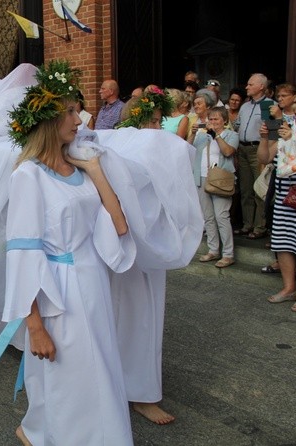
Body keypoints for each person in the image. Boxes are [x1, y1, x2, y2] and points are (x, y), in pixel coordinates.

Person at [5, 60, 133, 445]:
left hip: (93, 283)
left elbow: (119, 226)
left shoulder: (78, 169)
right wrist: (35, 326)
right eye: (71, 112)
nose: (79, 119)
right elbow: (22, 255)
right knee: (71, 378)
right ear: (48, 121)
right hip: (57, 293)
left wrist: (94, 171)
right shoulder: (27, 176)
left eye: (77, 110)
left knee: (101, 370)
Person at [114, 88, 179, 424]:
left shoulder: (153, 148)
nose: (158, 128)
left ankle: (139, 387)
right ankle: (136, 392)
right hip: (131, 245)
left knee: (147, 319)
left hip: (152, 242)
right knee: (134, 318)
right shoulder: (123, 147)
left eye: (160, 121)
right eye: (153, 121)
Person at [258, 90, 296, 312]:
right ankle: (288, 288)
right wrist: (264, 138)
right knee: (283, 244)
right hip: (282, 199)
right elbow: (264, 158)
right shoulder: (286, 135)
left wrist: (294, 141)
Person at [191, 106, 238, 267]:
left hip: (220, 180)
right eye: (210, 119)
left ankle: (228, 254)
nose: (212, 122)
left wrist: (216, 135)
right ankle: (213, 250)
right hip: (202, 177)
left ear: (224, 120)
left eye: (216, 119)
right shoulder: (203, 136)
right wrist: (192, 133)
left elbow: (228, 152)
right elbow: (189, 148)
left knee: (221, 216)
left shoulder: (232, 135)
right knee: (208, 217)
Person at [234, 73, 272, 239]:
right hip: (242, 149)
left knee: (259, 189)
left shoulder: (269, 105)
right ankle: (247, 224)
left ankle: (259, 226)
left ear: (261, 86)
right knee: (245, 189)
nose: (247, 87)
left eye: (250, 84)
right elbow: (238, 126)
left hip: (258, 150)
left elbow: (272, 131)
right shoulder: (244, 106)